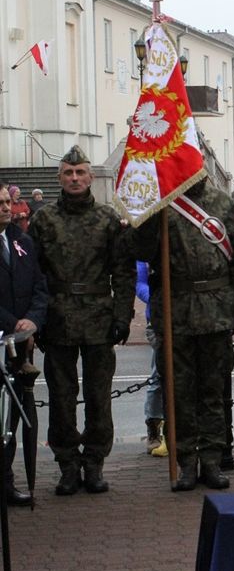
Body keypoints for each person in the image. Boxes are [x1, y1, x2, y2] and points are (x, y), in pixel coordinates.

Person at [129, 177, 234, 491]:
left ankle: (211, 461)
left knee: (213, 393)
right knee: (178, 394)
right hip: (175, 311)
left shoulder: (223, 203)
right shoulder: (163, 204)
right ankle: (186, 463)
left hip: (216, 312)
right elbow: (141, 250)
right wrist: (149, 214)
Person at [30, 145, 134, 495]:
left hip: (98, 319)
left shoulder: (107, 219)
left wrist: (123, 315)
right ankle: (67, 465)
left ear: (90, 176)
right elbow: (35, 275)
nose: (75, 179)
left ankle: (94, 464)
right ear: (59, 178)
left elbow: (122, 272)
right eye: (68, 173)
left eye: (81, 173)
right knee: (61, 397)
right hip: (58, 318)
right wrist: (37, 319)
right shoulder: (43, 220)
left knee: (98, 396)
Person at [0, 184, 47, 506]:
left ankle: (6, 482)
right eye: (0, 203)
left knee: (10, 421)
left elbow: (40, 287)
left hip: (20, 346)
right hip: (3, 335)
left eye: (7, 201)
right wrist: (11, 323)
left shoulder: (21, 241)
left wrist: (32, 320)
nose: (6, 207)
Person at [135, 260, 166, 457]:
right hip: (157, 318)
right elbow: (139, 284)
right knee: (158, 377)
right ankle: (153, 428)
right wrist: (157, 298)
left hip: (184, 316)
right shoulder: (145, 256)